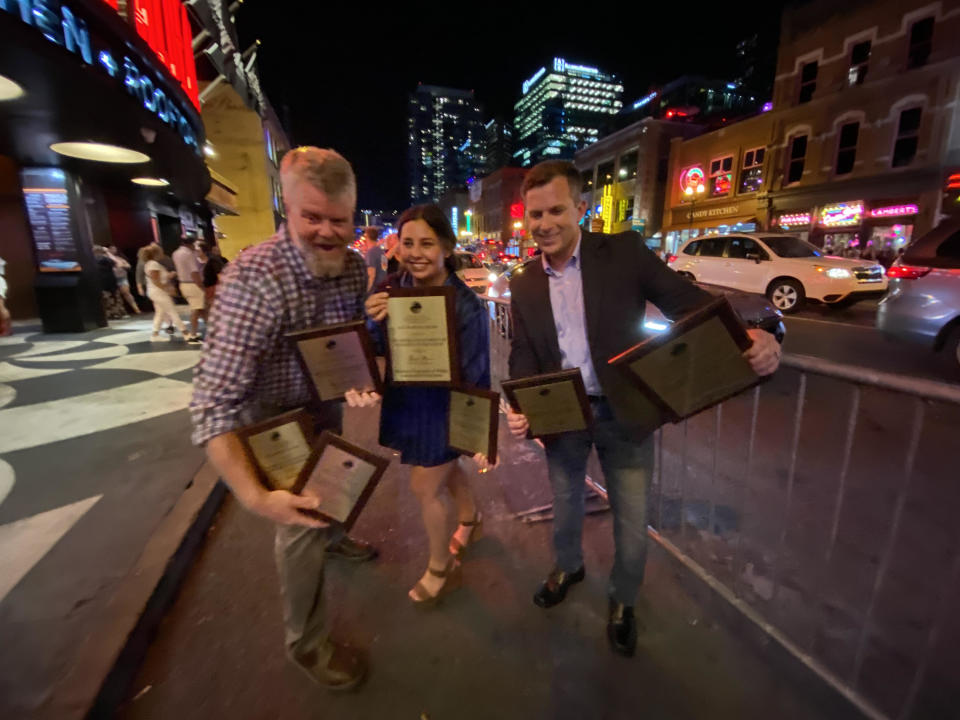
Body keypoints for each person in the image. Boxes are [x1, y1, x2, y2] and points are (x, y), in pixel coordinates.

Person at [504, 161, 782, 658]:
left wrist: (752, 337)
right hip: (562, 414)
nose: (543, 224)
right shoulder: (524, 281)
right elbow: (524, 352)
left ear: (582, 209)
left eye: (556, 210)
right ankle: (568, 566)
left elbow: (688, 303)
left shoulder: (624, 253)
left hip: (623, 410)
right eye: (535, 214)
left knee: (631, 516)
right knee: (565, 502)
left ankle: (623, 600)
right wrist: (521, 404)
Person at [190, 146, 376, 691]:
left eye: (338, 220)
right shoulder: (255, 280)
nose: (325, 231)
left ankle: (337, 536)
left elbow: (340, 345)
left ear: (353, 216)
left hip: (322, 403)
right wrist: (252, 496)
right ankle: (307, 645)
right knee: (299, 525)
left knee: (336, 482)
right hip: (271, 418)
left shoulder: (353, 269)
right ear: (286, 209)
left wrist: (355, 377)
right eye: (311, 217)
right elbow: (213, 405)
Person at [362, 205, 491, 606]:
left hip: (445, 408)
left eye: (427, 243)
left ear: (447, 248)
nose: (415, 252)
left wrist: (475, 430)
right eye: (408, 242)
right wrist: (373, 321)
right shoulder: (394, 287)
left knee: (424, 485)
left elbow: (475, 371)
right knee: (444, 475)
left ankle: (441, 567)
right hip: (409, 401)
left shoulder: (467, 305)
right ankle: (471, 519)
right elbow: (382, 349)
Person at [142, 244, 191, 341]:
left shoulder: (150, 264)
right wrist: (167, 289)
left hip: (155, 292)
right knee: (172, 311)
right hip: (158, 292)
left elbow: (157, 278)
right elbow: (155, 280)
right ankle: (185, 333)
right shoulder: (153, 264)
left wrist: (169, 276)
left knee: (160, 313)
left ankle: (155, 335)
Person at [172, 237, 204, 341]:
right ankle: (193, 334)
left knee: (201, 309)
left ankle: (212, 330)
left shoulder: (175, 253)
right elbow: (194, 272)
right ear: (191, 244)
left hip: (182, 284)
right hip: (192, 284)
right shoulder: (189, 254)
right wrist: (201, 285)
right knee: (196, 309)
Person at [93, 245, 127, 319]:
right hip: (111, 281)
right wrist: (108, 252)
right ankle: (117, 313)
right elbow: (119, 264)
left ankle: (108, 315)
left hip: (99, 282)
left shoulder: (91, 260)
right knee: (114, 297)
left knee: (105, 299)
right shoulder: (106, 259)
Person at [106, 245, 141, 315]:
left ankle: (136, 309)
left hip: (122, 277)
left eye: (114, 248)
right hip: (112, 279)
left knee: (126, 293)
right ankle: (121, 311)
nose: (113, 250)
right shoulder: (106, 258)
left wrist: (122, 265)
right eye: (111, 249)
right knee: (116, 295)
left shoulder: (119, 258)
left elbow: (128, 265)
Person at [361, 227, 386, 292]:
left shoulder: (370, 253)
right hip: (382, 289)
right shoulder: (382, 252)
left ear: (366, 236)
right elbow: (384, 269)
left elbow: (371, 276)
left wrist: (365, 292)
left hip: (373, 291)